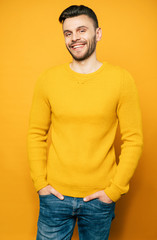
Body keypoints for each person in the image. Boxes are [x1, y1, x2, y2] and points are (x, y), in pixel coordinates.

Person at [27, 5, 143, 240]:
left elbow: (133, 139)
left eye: (81, 30)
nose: (74, 38)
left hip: (99, 198)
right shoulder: (48, 79)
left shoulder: (121, 79)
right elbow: (35, 134)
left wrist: (114, 191)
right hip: (55, 197)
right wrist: (41, 184)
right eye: (68, 33)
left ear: (97, 33)